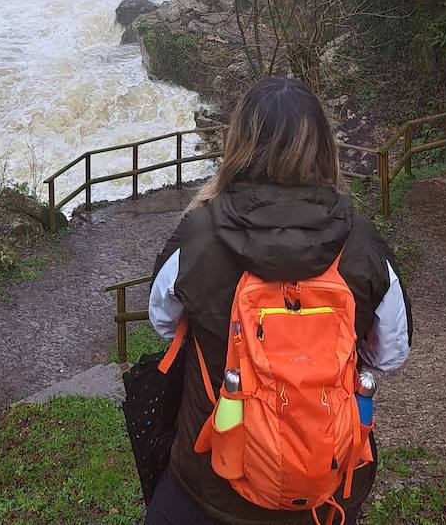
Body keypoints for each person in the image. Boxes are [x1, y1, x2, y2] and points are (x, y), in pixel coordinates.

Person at [145, 77, 412, 525]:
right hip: (323, 488)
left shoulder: (199, 237)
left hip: (209, 485)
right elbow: (390, 353)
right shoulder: (362, 243)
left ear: (239, 144)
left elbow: (163, 321)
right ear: (324, 148)